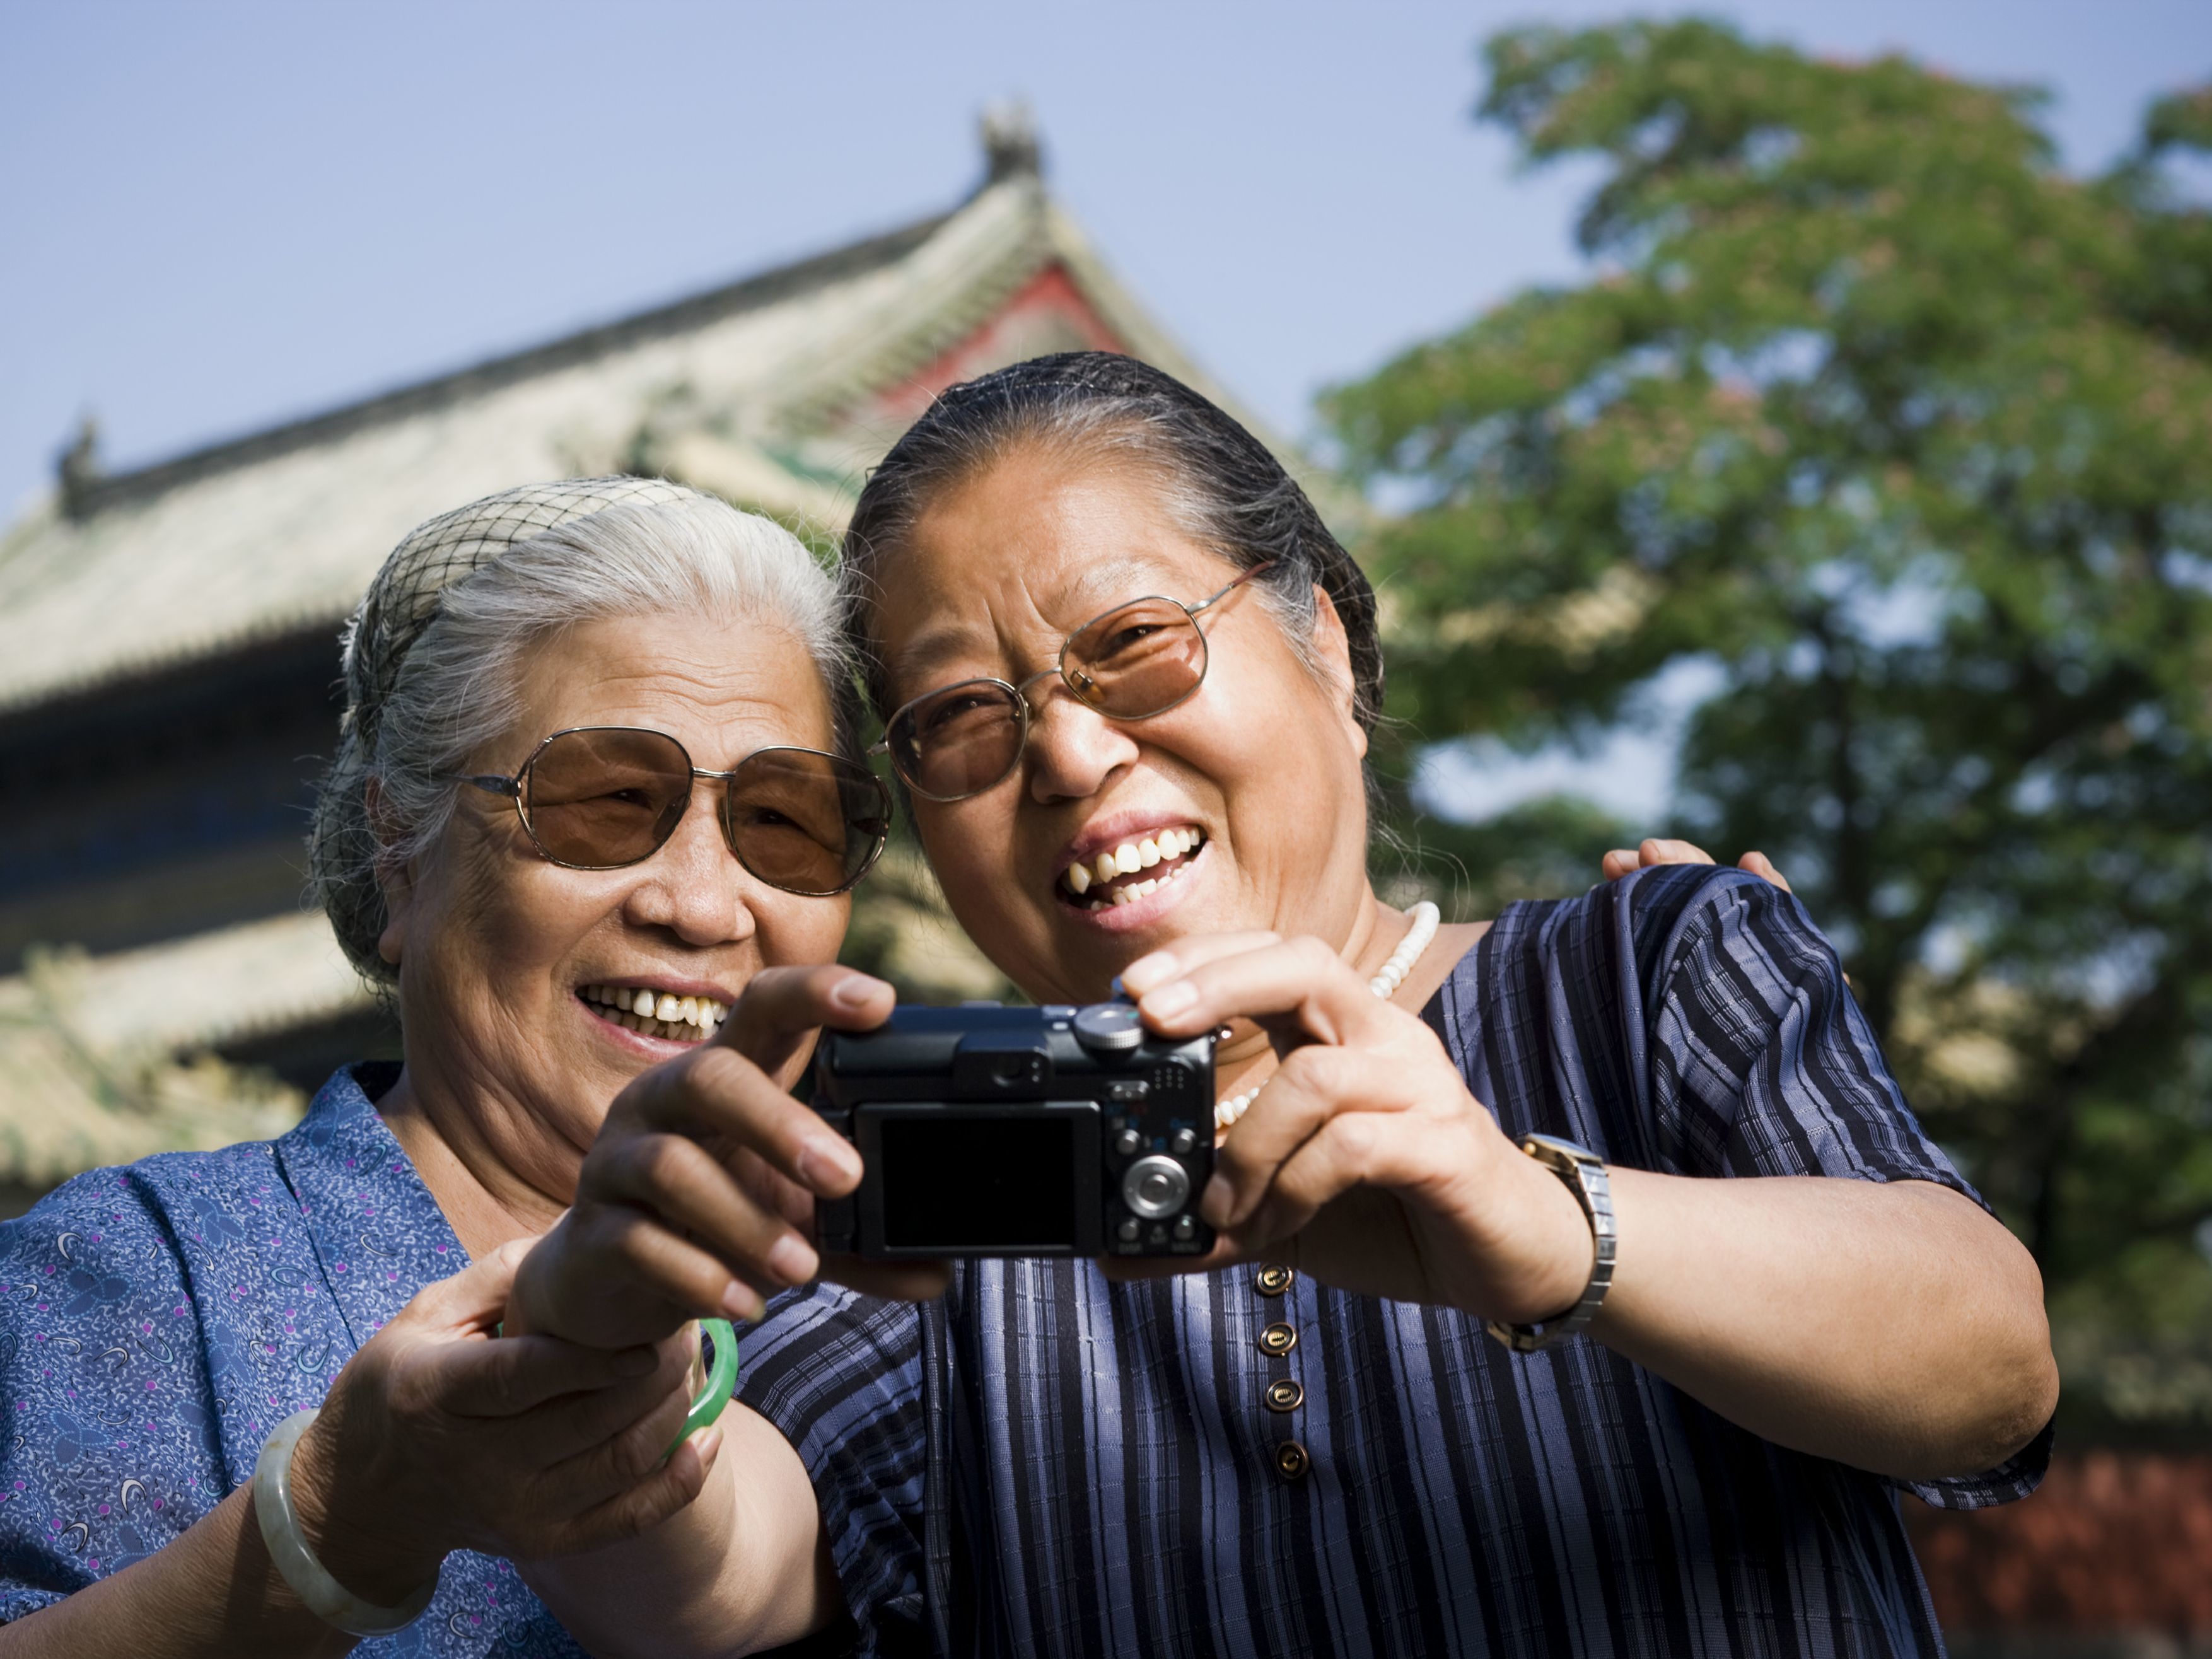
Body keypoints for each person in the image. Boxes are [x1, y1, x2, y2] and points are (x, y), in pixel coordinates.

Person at [509, 354, 2059, 1658]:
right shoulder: (945, 1153)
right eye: (962, 718)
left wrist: (1538, 1223)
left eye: (1129, 643)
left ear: (1321, 638)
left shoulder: (1640, 968)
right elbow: (726, 1568)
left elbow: (1988, 1365)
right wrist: (600, 1339)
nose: (1065, 755)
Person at [0, 479, 899, 1655]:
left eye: (784, 820)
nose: (699, 905)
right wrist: (331, 1519)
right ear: (400, 850)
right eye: (608, 801)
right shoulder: (146, 1270)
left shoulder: (894, 1310)